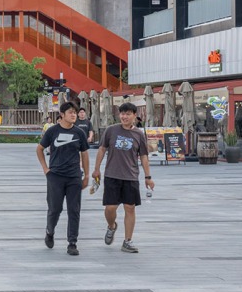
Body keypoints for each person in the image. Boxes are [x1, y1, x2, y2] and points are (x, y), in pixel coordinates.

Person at [91, 101, 154, 253]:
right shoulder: (111, 130)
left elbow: (144, 156)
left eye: (128, 114)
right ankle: (112, 226)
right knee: (110, 208)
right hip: (112, 175)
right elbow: (102, 149)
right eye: (122, 114)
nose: (124, 117)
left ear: (134, 116)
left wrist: (148, 176)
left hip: (131, 176)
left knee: (130, 208)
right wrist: (96, 169)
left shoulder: (138, 134)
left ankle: (128, 241)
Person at [36, 100, 89, 256]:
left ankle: (72, 242)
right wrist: (46, 169)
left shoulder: (79, 133)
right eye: (70, 112)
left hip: (74, 176)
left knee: (74, 210)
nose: (74, 115)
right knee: (55, 209)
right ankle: (49, 231)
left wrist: (86, 175)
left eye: (75, 112)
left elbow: (85, 155)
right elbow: (39, 149)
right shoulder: (53, 131)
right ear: (62, 114)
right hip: (56, 177)